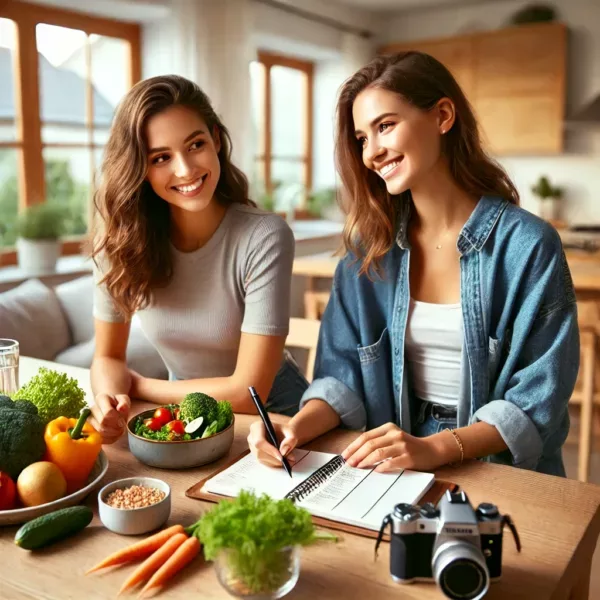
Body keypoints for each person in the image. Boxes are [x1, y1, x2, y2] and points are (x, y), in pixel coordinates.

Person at [248, 52, 579, 477]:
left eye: (385, 126)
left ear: (442, 115)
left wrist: (434, 447)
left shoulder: (528, 245)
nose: (372, 153)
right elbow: (340, 377)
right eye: (362, 138)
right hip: (392, 460)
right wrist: (294, 429)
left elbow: (537, 401)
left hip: (495, 465)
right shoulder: (370, 249)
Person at [89, 75, 308, 443]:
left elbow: (248, 391)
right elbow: (108, 357)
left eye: (195, 145)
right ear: (139, 168)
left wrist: (143, 386)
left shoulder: (264, 236)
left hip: (278, 422)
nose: (185, 169)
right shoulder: (119, 245)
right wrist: (109, 403)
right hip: (187, 422)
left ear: (216, 140)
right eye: (161, 157)